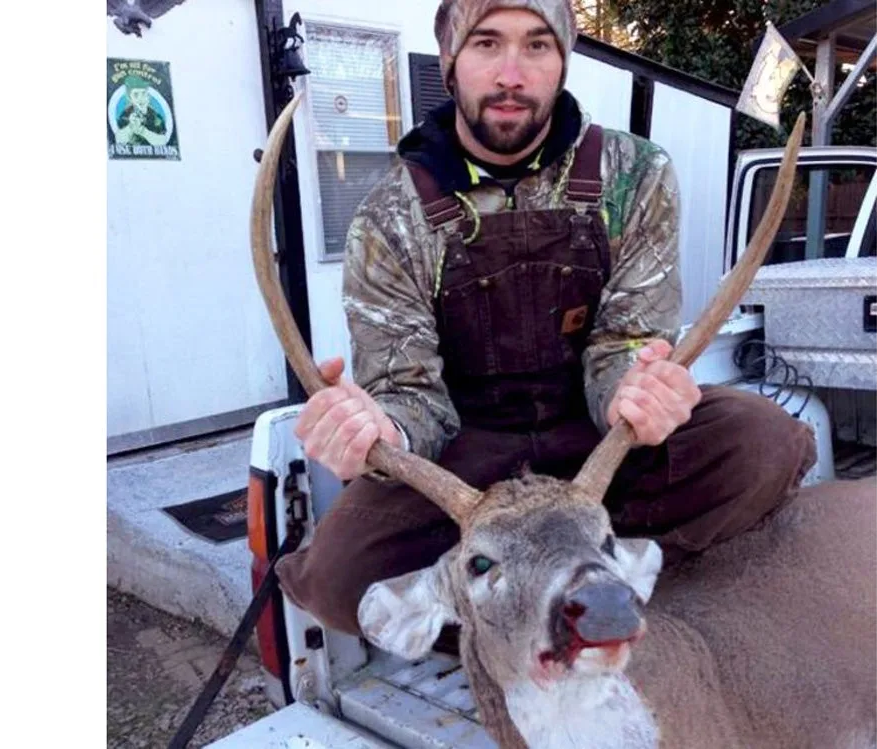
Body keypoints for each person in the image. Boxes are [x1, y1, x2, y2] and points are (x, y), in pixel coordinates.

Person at [275, 0, 816, 641]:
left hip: (598, 446)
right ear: (449, 60)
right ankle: (528, 622)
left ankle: (590, 588)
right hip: (469, 466)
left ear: (562, 60)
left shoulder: (635, 175)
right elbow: (410, 394)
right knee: (341, 582)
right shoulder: (389, 216)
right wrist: (379, 426)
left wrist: (636, 391)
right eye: (485, 44)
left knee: (765, 443)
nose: (511, 73)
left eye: (537, 45)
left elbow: (627, 340)